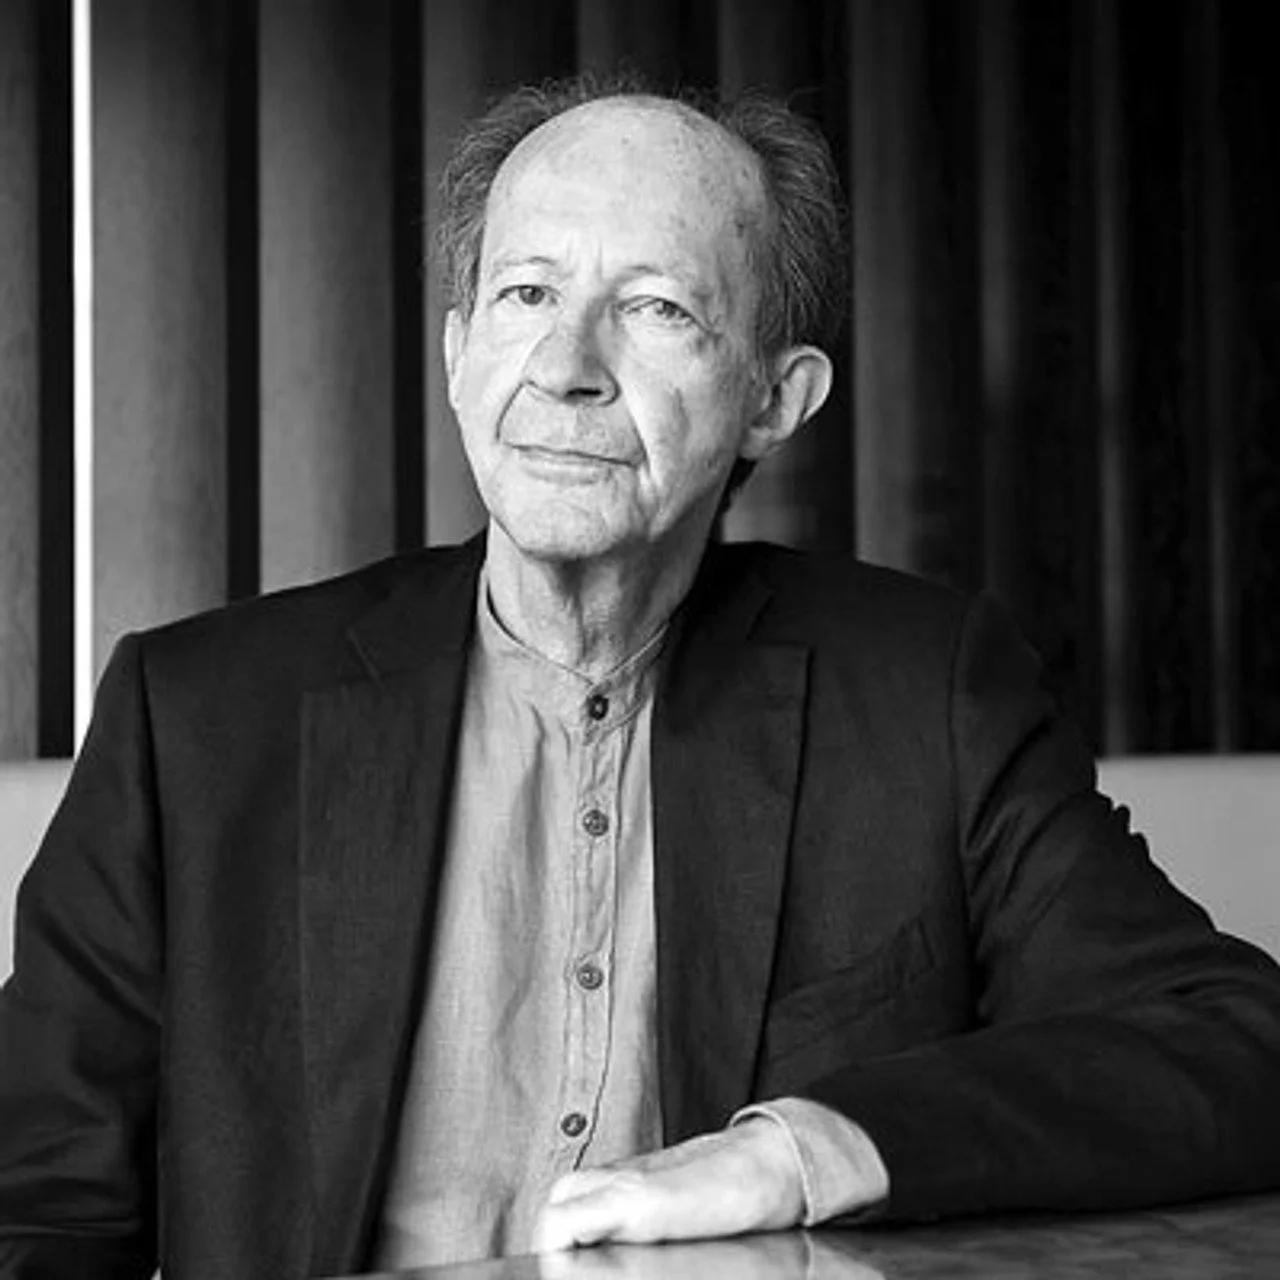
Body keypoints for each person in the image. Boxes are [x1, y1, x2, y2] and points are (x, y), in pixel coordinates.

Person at [2, 74, 1279, 1280]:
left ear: (775, 397)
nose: (566, 365)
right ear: (456, 353)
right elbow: (35, 1209)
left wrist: (805, 1151)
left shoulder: (925, 695)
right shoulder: (196, 720)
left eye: (657, 307)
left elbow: (1234, 1045)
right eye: (524, 294)